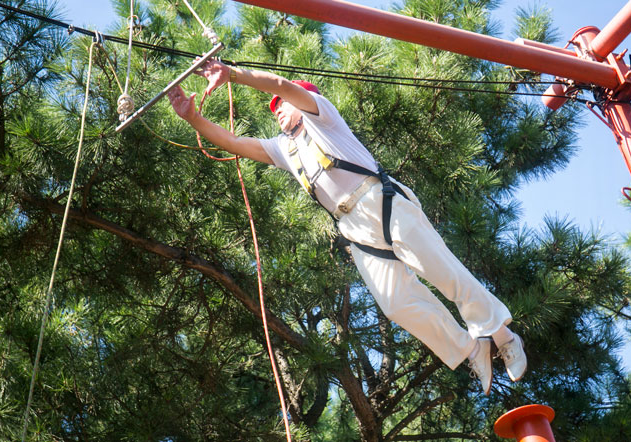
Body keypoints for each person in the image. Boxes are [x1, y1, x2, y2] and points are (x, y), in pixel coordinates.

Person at [166, 59, 527, 395]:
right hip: (352, 225)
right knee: (396, 303)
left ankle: (501, 335)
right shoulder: (284, 149)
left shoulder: (322, 116)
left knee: (443, 271)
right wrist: (193, 118)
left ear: (303, 99)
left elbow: (279, 84)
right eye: (274, 110)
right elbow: (234, 143)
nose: (277, 111)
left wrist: (233, 74)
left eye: (283, 105)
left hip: (379, 200)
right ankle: (470, 349)